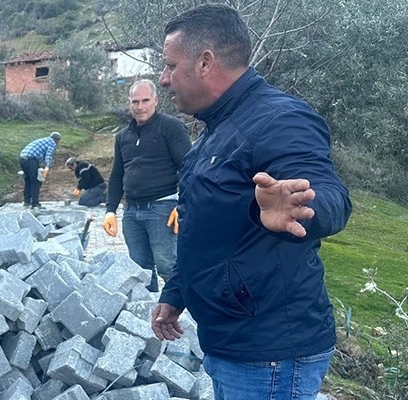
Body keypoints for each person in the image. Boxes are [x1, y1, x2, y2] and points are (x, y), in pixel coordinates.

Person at [151, 4, 352, 399]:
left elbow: (332, 197)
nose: (163, 79)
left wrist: (298, 211)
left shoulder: (279, 119)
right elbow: (204, 228)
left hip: (270, 355)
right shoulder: (218, 128)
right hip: (234, 342)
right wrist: (177, 293)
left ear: (205, 62)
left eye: (170, 66)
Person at [103, 79, 192, 292]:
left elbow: (189, 167)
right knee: (140, 271)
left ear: (155, 101)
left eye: (145, 101)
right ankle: (147, 309)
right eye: (135, 102)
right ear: (129, 103)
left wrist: (183, 203)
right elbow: (117, 174)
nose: (140, 106)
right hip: (131, 212)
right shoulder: (123, 136)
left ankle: (179, 310)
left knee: (168, 265)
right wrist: (110, 210)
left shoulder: (170, 127)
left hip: (162, 209)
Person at [19, 131, 61, 208]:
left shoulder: (43, 140)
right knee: (36, 181)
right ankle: (35, 203)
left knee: (28, 181)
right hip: (31, 160)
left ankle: (27, 201)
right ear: (57, 140)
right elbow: (48, 155)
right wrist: (47, 166)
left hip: (22, 158)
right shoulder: (52, 143)